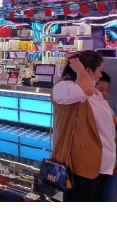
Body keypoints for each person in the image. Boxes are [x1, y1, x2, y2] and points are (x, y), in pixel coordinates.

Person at [51, 50, 116, 202]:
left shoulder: (95, 92)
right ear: (88, 70)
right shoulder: (65, 87)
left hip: (103, 165)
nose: (101, 75)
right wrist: (81, 71)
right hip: (81, 166)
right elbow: (84, 91)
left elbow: (108, 120)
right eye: (99, 70)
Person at [95, 71, 117, 201]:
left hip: (109, 163)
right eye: (101, 89)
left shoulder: (106, 107)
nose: (105, 94)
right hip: (99, 163)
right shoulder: (92, 106)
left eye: (107, 90)